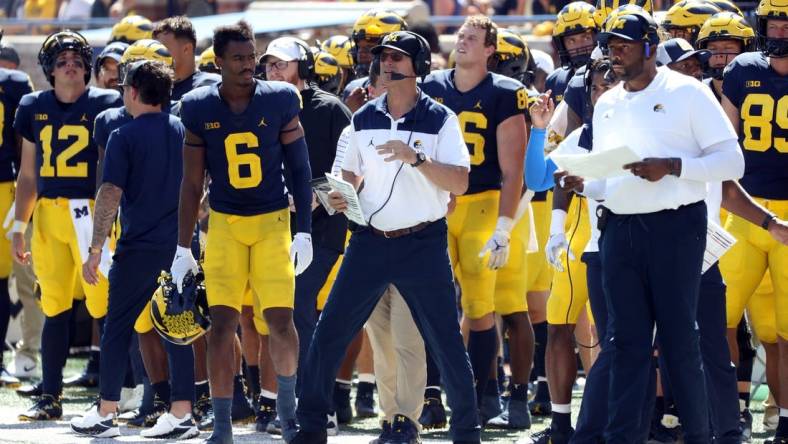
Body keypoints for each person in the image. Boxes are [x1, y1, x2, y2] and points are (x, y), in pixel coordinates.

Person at [559, 11, 744, 442]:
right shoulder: (607, 102)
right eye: (610, 44)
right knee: (625, 344)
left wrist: (673, 167)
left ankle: (700, 436)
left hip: (677, 229)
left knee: (681, 343)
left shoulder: (689, 92)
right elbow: (609, 178)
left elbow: (732, 162)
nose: (614, 52)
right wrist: (584, 182)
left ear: (649, 45)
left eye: (623, 43)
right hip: (618, 230)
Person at [292, 30, 480, 444]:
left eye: (397, 57)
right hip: (369, 241)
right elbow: (349, 176)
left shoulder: (441, 119)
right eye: (384, 57)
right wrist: (334, 196)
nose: (387, 63)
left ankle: (467, 432)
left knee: (446, 343)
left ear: (420, 67)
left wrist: (417, 158)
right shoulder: (363, 118)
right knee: (329, 334)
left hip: (423, 244)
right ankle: (309, 428)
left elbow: (461, 182)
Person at [173, 20, 312, 444]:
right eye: (239, 58)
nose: (249, 64)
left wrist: (303, 229)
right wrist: (183, 247)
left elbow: (301, 170)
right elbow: (192, 183)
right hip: (225, 224)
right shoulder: (198, 106)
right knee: (222, 325)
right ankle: (221, 426)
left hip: (272, 221)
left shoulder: (282, 98)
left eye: (252, 56)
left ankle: (287, 415)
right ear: (218, 62)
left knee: (280, 322)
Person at [69, 60, 197, 439]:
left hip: (139, 246)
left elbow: (110, 193)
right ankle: (182, 413)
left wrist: (95, 248)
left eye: (126, 86)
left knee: (116, 327)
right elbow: (201, 186)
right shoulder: (185, 131)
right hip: (180, 244)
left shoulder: (123, 135)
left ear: (135, 91)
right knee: (178, 329)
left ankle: (106, 412)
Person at [420, 15, 527, 427]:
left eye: (472, 37)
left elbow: (513, 170)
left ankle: (483, 396)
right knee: (431, 303)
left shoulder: (505, 92)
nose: (462, 41)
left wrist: (504, 225)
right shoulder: (431, 86)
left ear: (489, 50)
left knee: (480, 306)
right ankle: (431, 395)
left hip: (482, 201)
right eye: (460, 34)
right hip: (438, 202)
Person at [12, 30, 122, 421]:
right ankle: (51, 393)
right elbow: (27, 174)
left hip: (92, 212)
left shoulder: (107, 104)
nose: (70, 65)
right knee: (54, 304)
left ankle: (110, 394)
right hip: (48, 214)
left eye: (76, 60)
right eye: (61, 61)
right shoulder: (31, 105)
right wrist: (17, 224)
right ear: (48, 70)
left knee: (103, 304)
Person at [259, 35, 351, 431]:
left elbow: (350, 170)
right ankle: (290, 403)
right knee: (280, 312)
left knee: (301, 309)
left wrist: (311, 196)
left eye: (282, 62)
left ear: (304, 66)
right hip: (274, 225)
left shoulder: (330, 109)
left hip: (323, 226)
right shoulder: (262, 105)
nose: (273, 69)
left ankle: (317, 404)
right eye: (269, 63)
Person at [719, 0, 788, 441]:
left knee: (783, 332)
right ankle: (730, 411)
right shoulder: (743, 69)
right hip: (744, 210)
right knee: (717, 317)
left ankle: (785, 417)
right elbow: (724, 146)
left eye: (786, 22)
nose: (779, 31)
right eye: (773, 23)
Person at [0, 30, 33, 386]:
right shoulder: (13, 83)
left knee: (4, 276)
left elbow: (25, 144)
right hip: (4, 185)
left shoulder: (14, 82)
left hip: (4, 186)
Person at [152, 16, 221, 102]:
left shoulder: (211, 86)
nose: (156, 54)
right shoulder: (153, 92)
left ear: (186, 49)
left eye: (162, 49)